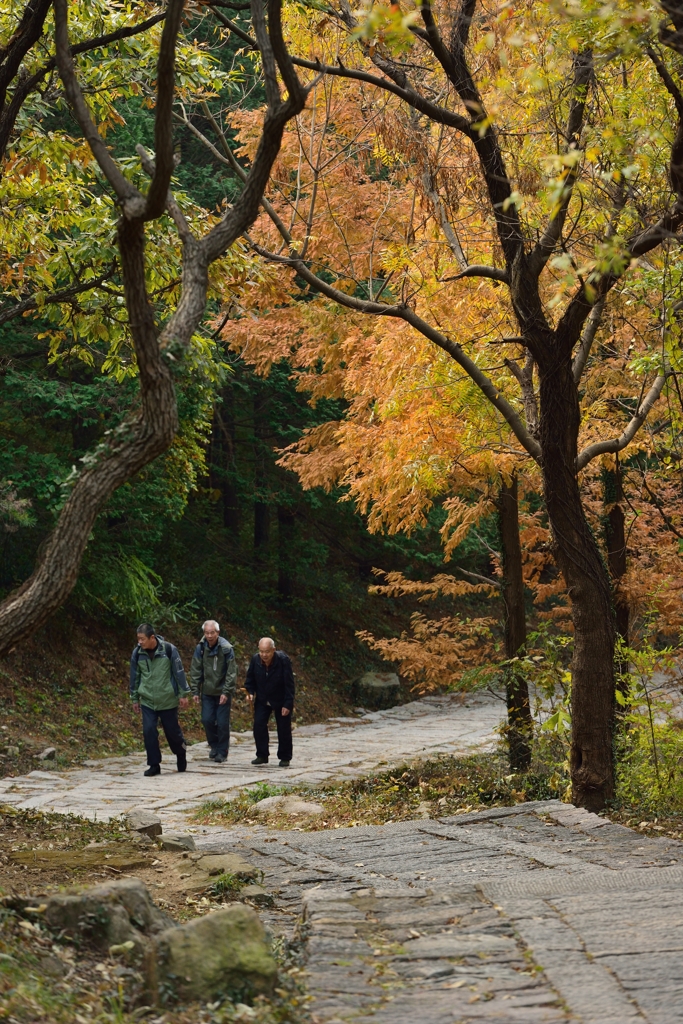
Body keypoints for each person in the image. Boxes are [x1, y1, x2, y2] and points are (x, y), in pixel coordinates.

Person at [129, 622, 191, 777]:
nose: (140, 642)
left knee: (172, 733)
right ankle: (154, 764)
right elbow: (135, 677)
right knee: (149, 730)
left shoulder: (169, 650)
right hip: (148, 700)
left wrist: (183, 694)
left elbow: (179, 672)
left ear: (152, 637)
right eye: (138, 639)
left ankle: (181, 752)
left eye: (142, 639)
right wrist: (134, 698)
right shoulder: (138, 654)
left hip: (167, 699)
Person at [190, 619, 236, 764]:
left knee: (222, 723)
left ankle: (222, 751)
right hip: (208, 691)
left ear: (218, 633)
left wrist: (226, 691)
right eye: (207, 633)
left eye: (212, 633)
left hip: (223, 691)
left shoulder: (226, 648)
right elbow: (196, 669)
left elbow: (231, 672)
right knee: (207, 719)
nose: (209, 636)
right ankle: (214, 745)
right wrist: (195, 691)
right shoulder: (201, 647)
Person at [245, 637, 295, 767]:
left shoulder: (283, 661)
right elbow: (250, 680)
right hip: (262, 698)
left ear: (273, 650)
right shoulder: (255, 660)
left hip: (280, 698)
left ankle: (285, 757)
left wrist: (287, 704)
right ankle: (262, 755)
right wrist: (250, 693)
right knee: (259, 725)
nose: (264, 655)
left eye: (267, 652)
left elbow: (289, 684)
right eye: (261, 651)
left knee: (283, 728)